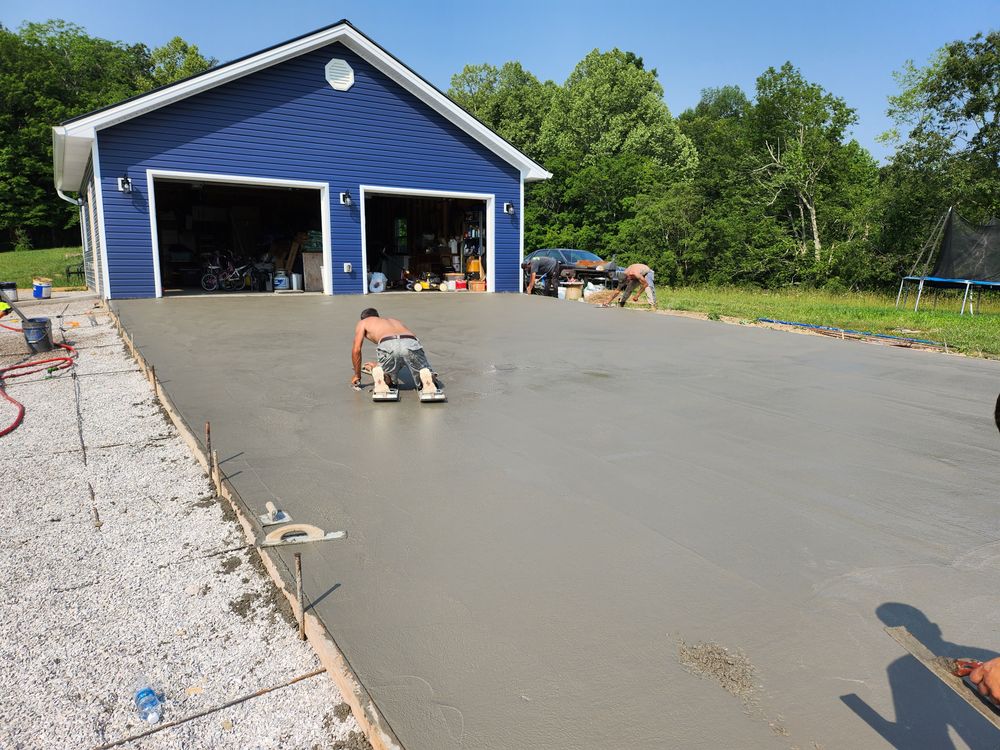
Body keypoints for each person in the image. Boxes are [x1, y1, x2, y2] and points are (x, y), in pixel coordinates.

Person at [351, 308, 440, 392]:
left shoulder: (363, 322)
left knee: (389, 381)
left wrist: (357, 375)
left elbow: (356, 350)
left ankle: (383, 376)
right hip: (410, 341)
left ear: (363, 318)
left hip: (387, 343)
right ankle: (426, 376)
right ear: (377, 316)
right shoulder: (394, 321)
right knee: (423, 373)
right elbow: (401, 351)